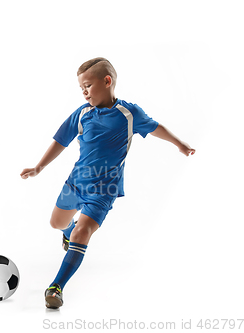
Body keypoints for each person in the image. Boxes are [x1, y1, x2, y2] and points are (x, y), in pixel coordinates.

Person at [20, 57, 196, 309]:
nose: (84, 92)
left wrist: (180, 144)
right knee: (57, 223)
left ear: (107, 81)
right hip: (76, 183)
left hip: (104, 190)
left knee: (84, 231)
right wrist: (38, 167)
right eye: (81, 88)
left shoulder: (129, 114)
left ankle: (56, 287)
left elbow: (156, 127)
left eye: (88, 86)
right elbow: (61, 140)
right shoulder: (81, 114)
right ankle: (68, 234)